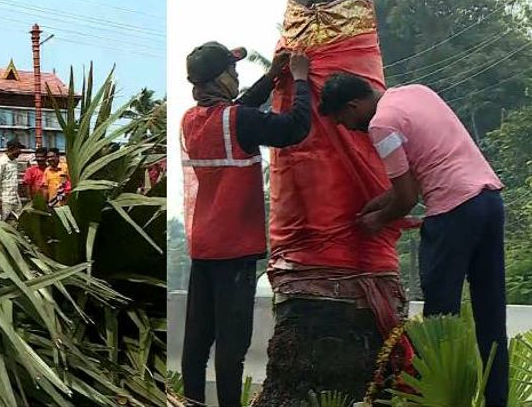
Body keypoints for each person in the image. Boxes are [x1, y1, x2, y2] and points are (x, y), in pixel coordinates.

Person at [319, 73, 507, 407]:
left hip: (453, 211)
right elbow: (421, 170)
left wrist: (375, 221)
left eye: (344, 121)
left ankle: (433, 400)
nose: (348, 128)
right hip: (489, 201)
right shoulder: (416, 93)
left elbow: (406, 199)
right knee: (491, 317)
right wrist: (381, 201)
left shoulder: (381, 125)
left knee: (439, 323)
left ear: (353, 105)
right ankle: (497, 401)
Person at [180, 41, 311, 407]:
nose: (237, 76)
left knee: (197, 341)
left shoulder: (191, 121)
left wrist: (271, 78)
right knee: (232, 344)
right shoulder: (238, 121)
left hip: (203, 246)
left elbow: (239, 112)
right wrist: (300, 81)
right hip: (235, 249)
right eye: (233, 71)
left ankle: (191, 401)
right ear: (219, 79)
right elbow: (296, 128)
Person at [0, 137, 25, 221]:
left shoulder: (14, 162)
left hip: (15, 198)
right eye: (18, 149)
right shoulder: (1, 162)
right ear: (12, 149)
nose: (20, 152)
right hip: (5, 199)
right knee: (3, 222)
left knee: (19, 220)